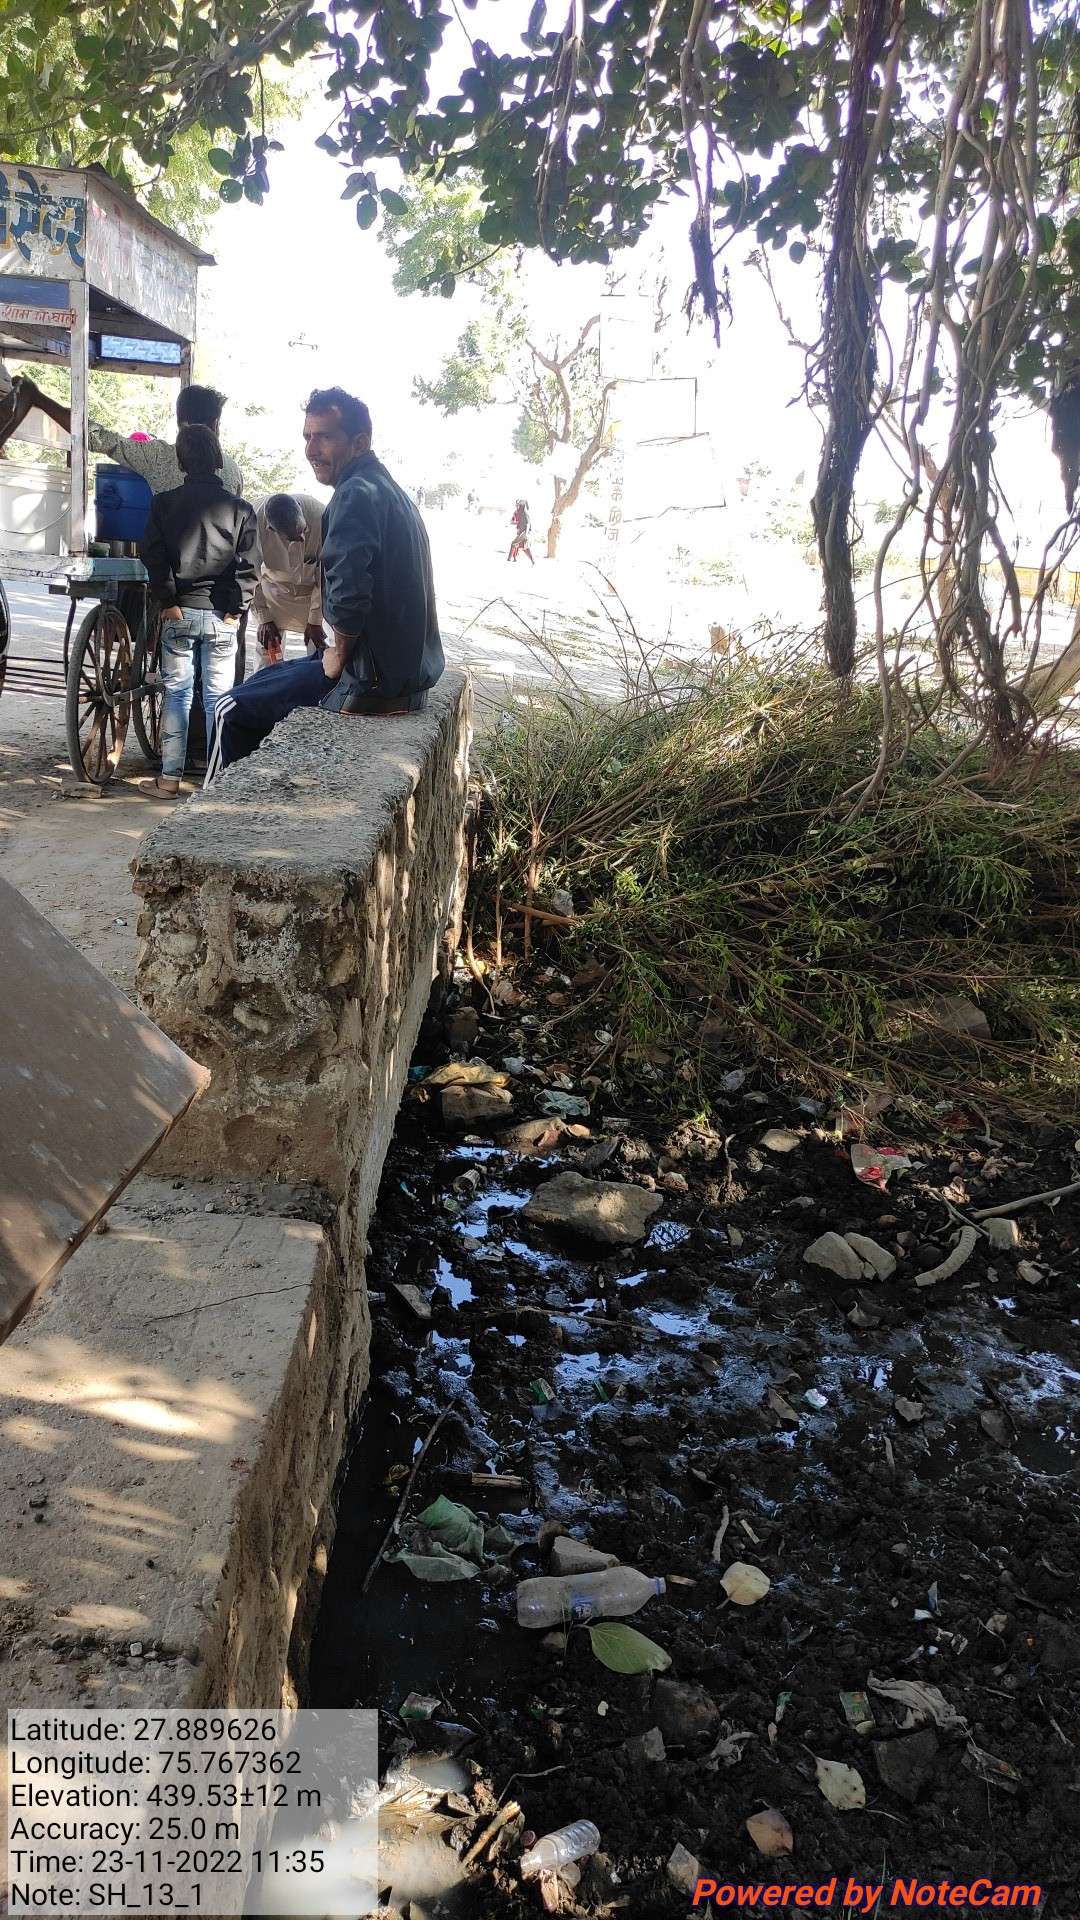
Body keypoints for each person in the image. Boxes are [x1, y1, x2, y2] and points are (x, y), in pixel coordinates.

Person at [207, 387, 444, 778]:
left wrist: (339, 655)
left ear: (359, 442)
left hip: (370, 679)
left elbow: (350, 590)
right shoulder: (389, 491)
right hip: (403, 673)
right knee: (264, 677)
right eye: (307, 437)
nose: (311, 449)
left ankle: (215, 811)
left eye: (325, 437)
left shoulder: (355, 495)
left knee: (228, 708)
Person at [139, 424, 256, 798]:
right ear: (217, 458)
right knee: (218, 700)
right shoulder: (241, 509)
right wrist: (236, 610)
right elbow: (250, 566)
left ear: (181, 460)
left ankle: (168, 780)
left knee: (177, 694)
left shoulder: (164, 503)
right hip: (222, 618)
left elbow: (153, 555)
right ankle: (216, 786)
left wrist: (168, 601)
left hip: (180, 614)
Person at [0, 375, 243, 495]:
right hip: (221, 579)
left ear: (179, 422)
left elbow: (100, 438)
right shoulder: (233, 472)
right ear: (215, 425)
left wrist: (39, 399)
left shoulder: (158, 457)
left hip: (167, 574)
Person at [251, 492, 326, 668]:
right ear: (271, 529)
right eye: (292, 538)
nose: (301, 539)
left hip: (314, 593)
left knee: (319, 649)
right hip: (273, 591)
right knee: (268, 647)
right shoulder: (253, 519)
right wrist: (264, 618)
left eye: (302, 531)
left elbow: (325, 574)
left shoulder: (322, 516)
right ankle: (265, 683)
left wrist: (315, 619)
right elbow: (250, 573)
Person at [508, 498, 535, 564]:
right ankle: (532, 561)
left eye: (519, 505)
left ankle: (508, 560)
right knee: (525, 547)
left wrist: (525, 533)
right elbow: (514, 521)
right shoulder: (519, 513)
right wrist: (515, 523)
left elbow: (528, 524)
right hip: (522, 532)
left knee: (514, 544)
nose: (517, 506)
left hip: (524, 532)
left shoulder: (524, 513)